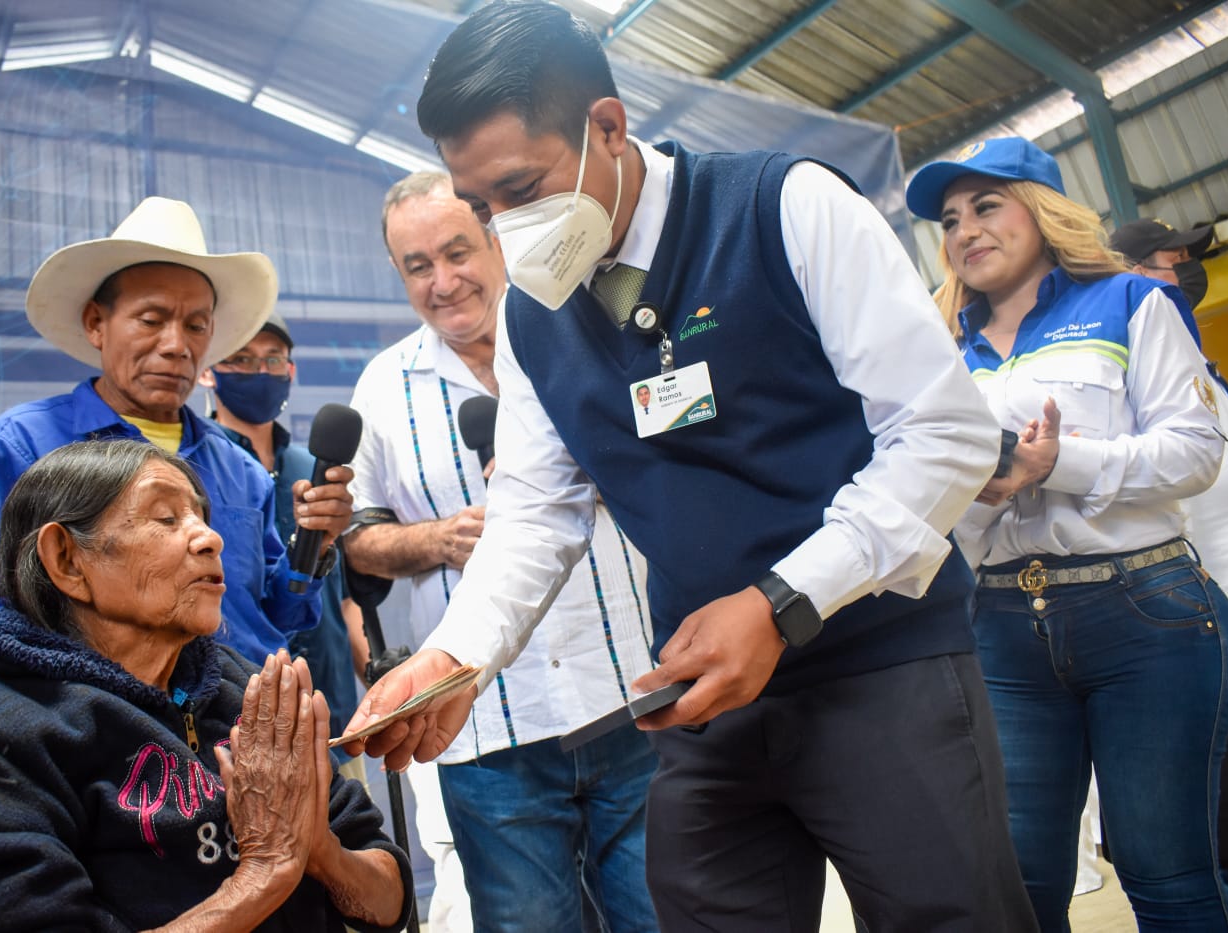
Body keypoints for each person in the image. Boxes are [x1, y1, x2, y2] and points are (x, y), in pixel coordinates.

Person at [341, 4, 1037, 931]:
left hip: (878, 664)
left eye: (521, 188)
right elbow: (536, 511)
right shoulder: (531, 317)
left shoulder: (784, 208)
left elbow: (941, 432)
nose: (506, 228)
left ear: (607, 127)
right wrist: (456, 656)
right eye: (481, 206)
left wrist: (782, 602)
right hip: (703, 692)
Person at [905, 136, 1228, 931]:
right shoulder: (940, 352)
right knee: (1017, 885)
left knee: (1166, 874)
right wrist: (968, 489)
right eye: (950, 220)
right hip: (1001, 625)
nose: (965, 230)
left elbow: (1196, 451)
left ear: (1041, 210)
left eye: (987, 206)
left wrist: (1060, 462)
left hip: (1147, 613)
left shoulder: (1130, 302)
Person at [0, 440, 411, 931]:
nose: (209, 539)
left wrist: (320, 850)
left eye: (202, 517)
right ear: (66, 560)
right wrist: (264, 872)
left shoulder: (241, 688)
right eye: (166, 519)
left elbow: (390, 901)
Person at [344, 169, 659, 933]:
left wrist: (599, 475)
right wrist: (435, 538)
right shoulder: (383, 387)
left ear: (496, 240)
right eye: (418, 266)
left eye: (457, 252)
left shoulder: (586, 333)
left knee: (666, 914)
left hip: (630, 695)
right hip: (486, 730)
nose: (444, 281)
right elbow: (358, 543)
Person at [0, 196, 354, 665]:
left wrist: (310, 549)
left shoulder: (240, 468)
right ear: (96, 323)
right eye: (151, 320)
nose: (176, 345)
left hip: (235, 707)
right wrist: (81, 685)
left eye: (196, 325)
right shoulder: (26, 445)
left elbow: (273, 616)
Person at [1112, 217, 1228, 931]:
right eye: (1172, 261)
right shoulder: (1132, 363)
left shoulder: (1203, 364)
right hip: (1205, 601)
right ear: (1133, 273)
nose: (1186, 271)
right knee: (1224, 809)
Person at [199, 310, 365, 744]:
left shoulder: (313, 469)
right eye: (241, 358)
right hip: (241, 716)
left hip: (334, 711)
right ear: (207, 371)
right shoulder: (195, 468)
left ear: (290, 371)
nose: (260, 371)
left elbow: (343, 598)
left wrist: (374, 679)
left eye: (273, 359)